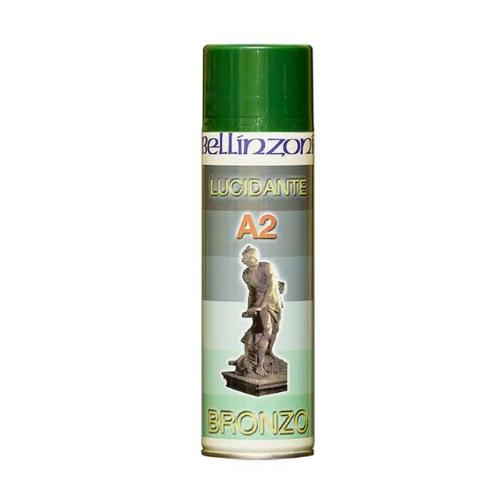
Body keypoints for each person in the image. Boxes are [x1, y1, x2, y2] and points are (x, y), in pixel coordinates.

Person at [241, 246, 283, 377]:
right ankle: (259, 366)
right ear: (247, 260)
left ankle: (269, 350)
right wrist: (250, 308)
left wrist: (262, 306)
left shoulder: (266, 267)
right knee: (267, 330)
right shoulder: (246, 275)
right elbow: (252, 293)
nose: (256, 259)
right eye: (252, 257)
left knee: (275, 330)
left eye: (255, 256)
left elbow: (271, 287)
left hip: (273, 300)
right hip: (260, 302)